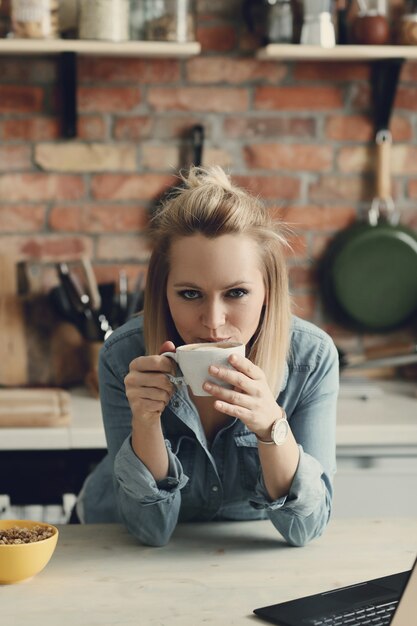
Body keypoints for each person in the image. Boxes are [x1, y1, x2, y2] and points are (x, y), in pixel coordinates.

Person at [75, 166, 339, 547]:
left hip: (240, 549)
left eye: (236, 293)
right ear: (162, 292)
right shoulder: (124, 355)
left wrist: (270, 426)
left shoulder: (311, 359)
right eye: (189, 294)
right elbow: (150, 530)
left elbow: (304, 529)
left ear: (269, 292)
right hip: (114, 544)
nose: (212, 323)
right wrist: (146, 422)